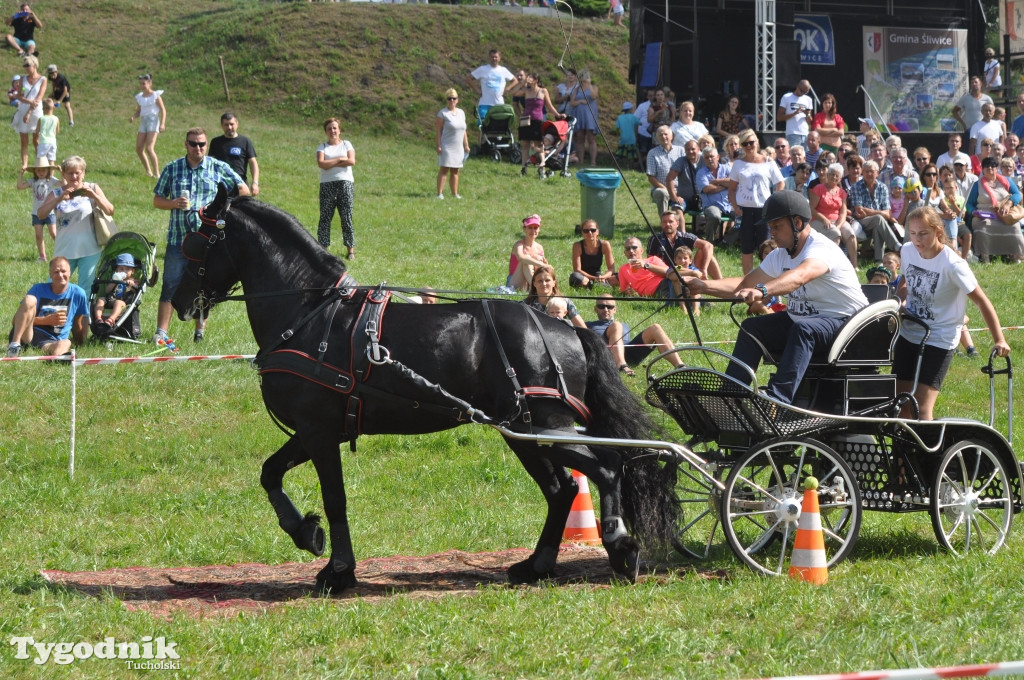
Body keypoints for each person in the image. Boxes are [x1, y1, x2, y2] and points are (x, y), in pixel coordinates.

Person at [686, 191, 869, 404]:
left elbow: (800, 276)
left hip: (848, 325)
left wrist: (763, 291)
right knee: (752, 327)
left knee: (804, 330)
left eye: (776, 226)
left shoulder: (821, 249)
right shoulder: (780, 254)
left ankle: (776, 401)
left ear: (797, 222)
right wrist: (703, 286)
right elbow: (744, 284)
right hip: (806, 322)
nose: (771, 233)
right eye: (770, 227)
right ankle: (731, 397)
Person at [895, 207, 1009, 420]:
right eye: (913, 233)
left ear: (938, 231)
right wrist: (901, 299)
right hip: (910, 331)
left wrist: (999, 339)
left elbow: (982, 301)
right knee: (901, 403)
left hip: (940, 337)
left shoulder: (953, 264)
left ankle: (926, 453)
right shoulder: (908, 251)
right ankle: (902, 454)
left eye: (923, 233)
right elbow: (905, 281)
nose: (917, 239)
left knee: (922, 407)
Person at [153, 127, 249, 344]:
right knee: (170, 283)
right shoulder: (172, 168)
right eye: (193, 143)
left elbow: (244, 189)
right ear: (186, 144)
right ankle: (161, 333)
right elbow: (157, 199)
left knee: (203, 287)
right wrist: (173, 203)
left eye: (202, 144)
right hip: (179, 238)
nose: (198, 148)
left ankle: (199, 332)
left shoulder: (217, 167)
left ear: (206, 145)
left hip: (208, 239)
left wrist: (225, 208)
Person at [37, 156, 113, 300]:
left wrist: (94, 196)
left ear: (83, 173)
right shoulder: (56, 193)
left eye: (77, 172)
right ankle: (51, 316)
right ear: (64, 174)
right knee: (54, 286)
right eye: (70, 173)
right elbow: (41, 214)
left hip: (90, 249)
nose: (74, 176)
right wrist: (59, 199)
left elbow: (110, 210)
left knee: (86, 289)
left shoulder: (92, 188)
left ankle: (82, 320)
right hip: (64, 250)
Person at [6, 257, 87, 358]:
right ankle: (14, 346)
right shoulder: (38, 289)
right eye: (56, 272)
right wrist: (46, 320)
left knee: (66, 343)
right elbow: (15, 321)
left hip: (50, 341)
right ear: (50, 274)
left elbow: (77, 323)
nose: (60, 275)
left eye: (63, 271)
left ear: (70, 272)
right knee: (29, 299)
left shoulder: (78, 293)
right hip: (28, 333)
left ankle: (57, 359)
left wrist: (81, 342)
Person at [586, 294, 683, 377]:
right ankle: (621, 366)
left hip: (629, 353)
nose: (606, 309)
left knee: (656, 328)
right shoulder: (587, 325)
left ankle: (681, 366)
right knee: (616, 325)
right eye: (601, 306)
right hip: (606, 355)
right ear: (595, 309)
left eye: (610, 307)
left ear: (615, 309)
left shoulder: (623, 325)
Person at [729, 129, 784, 274]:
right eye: (745, 143)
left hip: (764, 210)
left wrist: (773, 202)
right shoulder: (738, 164)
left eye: (751, 142)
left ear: (757, 143)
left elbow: (780, 183)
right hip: (745, 210)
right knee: (746, 247)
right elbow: (732, 189)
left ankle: (767, 278)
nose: (749, 146)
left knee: (766, 246)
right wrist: (735, 207)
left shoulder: (768, 162)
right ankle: (748, 280)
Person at [965, 156, 1024, 263]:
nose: (990, 168)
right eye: (986, 166)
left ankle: (1015, 256)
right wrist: (974, 212)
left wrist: (1009, 204)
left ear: (997, 169)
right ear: (982, 169)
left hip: (1004, 215)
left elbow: (1017, 194)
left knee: (1014, 227)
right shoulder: (976, 185)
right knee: (983, 229)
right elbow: (969, 204)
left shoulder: (1006, 181)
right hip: (983, 217)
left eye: (993, 166)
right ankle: (985, 257)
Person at [315, 117, 356, 258]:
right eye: (329, 129)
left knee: (346, 216)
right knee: (325, 216)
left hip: (345, 183)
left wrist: (330, 162)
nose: (332, 131)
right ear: (326, 131)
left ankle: (350, 250)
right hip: (327, 184)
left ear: (339, 130)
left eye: (334, 128)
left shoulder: (346, 145)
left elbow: (351, 161)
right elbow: (321, 164)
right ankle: (323, 249)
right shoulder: (322, 147)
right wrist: (340, 160)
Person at [850, 159, 900, 263]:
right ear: (862, 173)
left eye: (871, 171)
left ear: (877, 173)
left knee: (878, 223)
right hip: (860, 222)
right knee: (879, 218)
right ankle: (895, 245)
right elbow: (859, 211)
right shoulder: (856, 187)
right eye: (866, 171)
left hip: (877, 222)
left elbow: (887, 213)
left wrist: (869, 211)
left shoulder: (883, 187)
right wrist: (880, 212)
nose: (869, 173)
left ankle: (879, 261)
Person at [808, 162, 858, 267]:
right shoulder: (818, 188)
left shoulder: (841, 192)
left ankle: (854, 265)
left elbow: (843, 212)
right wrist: (825, 220)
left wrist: (839, 225)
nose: (834, 177)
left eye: (837, 175)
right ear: (827, 175)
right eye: (832, 174)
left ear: (840, 178)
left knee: (850, 234)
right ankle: (832, 263)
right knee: (835, 233)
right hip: (818, 220)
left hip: (837, 220)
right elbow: (811, 209)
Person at [646, 210, 721, 278]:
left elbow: (709, 245)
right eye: (664, 222)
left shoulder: (686, 237)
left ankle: (721, 283)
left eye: (670, 221)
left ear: (677, 223)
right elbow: (650, 261)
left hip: (687, 267)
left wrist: (704, 268)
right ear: (661, 224)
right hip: (669, 270)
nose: (667, 224)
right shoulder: (654, 239)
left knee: (705, 253)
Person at [518, 73, 563, 176]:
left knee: (538, 145)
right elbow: (514, 92)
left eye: (531, 78)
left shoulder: (543, 91)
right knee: (525, 145)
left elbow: (549, 106)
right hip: (526, 120)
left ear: (536, 80)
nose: (528, 79)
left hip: (537, 120)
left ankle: (541, 169)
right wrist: (523, 83)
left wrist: (558, 115)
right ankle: (524, 169)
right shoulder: (526, 90)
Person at [15, 159, 58, 262]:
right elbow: (20, 186)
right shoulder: (32, 181)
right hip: (36, 213)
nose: (41, 172)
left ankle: (61, 252)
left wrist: (61, 173)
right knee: (38, 235)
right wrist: (21, 174)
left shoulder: (51, 180)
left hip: (50, 212)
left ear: (48, 170)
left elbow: (64, 184)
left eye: (44, 170)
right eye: (38, 170)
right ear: (35, 171)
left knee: (53, 233)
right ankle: (42, 256)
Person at [209, 112, 260, 195]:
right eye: (226, 125)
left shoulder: (245, 141)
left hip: (240, 184)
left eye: (231, 124)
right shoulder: (215, 142)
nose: (229, 127)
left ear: (237, 124)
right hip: (220, 184)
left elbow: (253, 163)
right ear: (222, 126)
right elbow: (210, 163)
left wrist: (255, 183)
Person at [434, 88, 469, 199]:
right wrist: (438, 145)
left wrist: (466, 145)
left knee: (455, 170)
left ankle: (455, 193)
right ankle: (439, 193)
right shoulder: (443, 113)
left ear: (457, 100)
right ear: (447, 100)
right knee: (444, 169)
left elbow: (464, 130)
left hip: (458, 147)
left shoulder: (461, 113)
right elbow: (438, 130)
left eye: (454, 98)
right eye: (449, 98)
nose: (452, 100)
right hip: (447, 146)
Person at [129, 74, 166, 178]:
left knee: (149, 148)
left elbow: (163, 110)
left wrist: (162, 123)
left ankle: (156, 173)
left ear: (150, 83)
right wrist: (133, 116)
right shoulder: (140, 97)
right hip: (144, 121)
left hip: (153, 121)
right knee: (139, 148)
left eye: (144, 83)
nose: (142, 86)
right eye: (141, 84)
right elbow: (139, 111)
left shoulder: (155, 95)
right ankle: (148, 171)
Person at [12, 55, 45, 171]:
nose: (26, 68)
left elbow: (39, 97)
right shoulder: (22, 79)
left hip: (36, 111)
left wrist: (29, 112)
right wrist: (28, 102)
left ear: (34, 65)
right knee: (23, 139)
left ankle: (39, 163)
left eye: (28, 65)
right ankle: (24, 164)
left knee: (36, 139)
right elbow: (19, 96)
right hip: (23, 108)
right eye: (24, 66)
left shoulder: (43, 79)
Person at [92, 253, 139, 331]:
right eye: (121, 269)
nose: (125, 271)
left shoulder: (133, 281)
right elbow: (107, 291)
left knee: (118, 303)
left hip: (123, 302)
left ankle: (111, 320)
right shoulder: (114, 279)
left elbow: (135, 291)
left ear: (132, 271)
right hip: (110, 300)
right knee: (100, 300)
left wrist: (132, 285)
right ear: (117, 270)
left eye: (128, 269)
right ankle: (98, 319)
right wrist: (114, 282)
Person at [467, 48, 517, 121]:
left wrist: (508, 88)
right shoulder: (483, 69)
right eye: (492, 57)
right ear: (489, 58)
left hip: (498, 104)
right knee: (483, 126)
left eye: (496, 57)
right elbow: (468, 79)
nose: (494, 59)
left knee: (497, 126)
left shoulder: (503, 70)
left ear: (499, 58)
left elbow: (515, 80)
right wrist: (477, 90)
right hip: (485, 103)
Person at [696, 145, 734, 243]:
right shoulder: (701, 173)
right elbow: (707, 189)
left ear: (718, 157)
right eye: (707, 157)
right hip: (711, 205)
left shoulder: (726, 168)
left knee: (743, 216)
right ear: (704, 159)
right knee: (714, 216)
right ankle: (709, 242)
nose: (709, 159)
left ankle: (727, 241)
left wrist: (716, 181)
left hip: (729, 204)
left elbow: (734, 181)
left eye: (712, 156)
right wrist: (725, 185)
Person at [647, 124, 684, 216]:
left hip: (680, 188)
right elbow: (651, 177)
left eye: (666, 134)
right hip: (661, 188)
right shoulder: (652, 153)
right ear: (657, 138)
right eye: (660, 135)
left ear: (671, 136)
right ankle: (665, 223)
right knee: (662, 193)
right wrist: (668, 190)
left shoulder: (681, 151)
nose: (663, 137)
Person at [569, 218, 615, 288]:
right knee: (575, 276)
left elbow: (611, 268)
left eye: (593, 230)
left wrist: (603, 277)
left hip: (598, 276)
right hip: (583, 277)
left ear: (598, 232)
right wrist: (593, 278)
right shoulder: (577, 246)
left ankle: (596, 285)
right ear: (582, 233)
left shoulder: (605, 245)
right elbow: (577, 269)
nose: (590, 233)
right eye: (586, 231)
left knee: (619, 276)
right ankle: (594, 285)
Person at [509, 214, 548, 291]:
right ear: (524, 229)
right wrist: (539, 263)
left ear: (539, 229)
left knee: (538, 258)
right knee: (526, 260)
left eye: (535, 228)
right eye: (530, 228)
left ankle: (538, 288)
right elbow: (521, 257)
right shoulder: (519, 245)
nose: (533, 231)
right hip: (515, 282)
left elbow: (545, 266)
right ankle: (536, 289)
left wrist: (541, 262)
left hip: (530, 282)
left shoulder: (539, 247)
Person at [570, 69, 598, 166]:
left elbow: (594, 96)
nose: (585, 78)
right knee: (579, 138)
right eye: (584, 76)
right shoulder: (576, 89)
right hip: (579, 115)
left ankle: (593, 161)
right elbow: (572, 103)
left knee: (591, 138)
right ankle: (580, 161)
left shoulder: (594, 87)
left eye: (587, 76)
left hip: (590, 116)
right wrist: (580, 102)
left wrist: (589, 85)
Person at [666, 139, 701, 214]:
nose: (690, 151)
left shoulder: (705, 160)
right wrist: (674, 197)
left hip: (703, 198)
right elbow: (669, 179)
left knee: (705, 215)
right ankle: (681, 226)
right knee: (677, 209)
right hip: (684, 198)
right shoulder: (680, 161)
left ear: (698, 149)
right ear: (685, 151)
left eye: (693, 149)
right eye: (688, 149)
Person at [778, 80, 813, 147]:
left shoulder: (808, 99)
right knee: (794, 155)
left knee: (805, 157)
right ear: (797, 86)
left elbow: (810, 121)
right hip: (792, 133)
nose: (803, 93)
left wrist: (807, 114)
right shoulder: (787, 97)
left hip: (805, 134)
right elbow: (779, 117)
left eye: (806, 92)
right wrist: (794, 114)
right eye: (802, 91)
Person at [614, 101, 639, 166]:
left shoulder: (619, 117)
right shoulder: (634, 117)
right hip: (631, 138)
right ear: (630, 109)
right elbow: (639, 123)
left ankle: (616, 164)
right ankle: (629, 166)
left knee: (620, 152)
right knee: (631, 153)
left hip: (623, 138)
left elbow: (617, 128)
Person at [33, 96, 56, 163]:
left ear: (43, 109)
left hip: (43, 142)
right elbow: (57, 131)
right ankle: (51, 173)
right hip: (52, 142)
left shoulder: (41, 119)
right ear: (53, 108)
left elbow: (37, 131)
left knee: (41, 160)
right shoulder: (56, 119)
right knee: (51, 160)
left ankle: (41, 172)